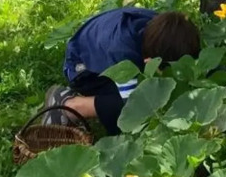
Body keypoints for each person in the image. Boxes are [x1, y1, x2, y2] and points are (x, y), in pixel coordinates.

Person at [40, 7, 200, 135]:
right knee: (123, 106)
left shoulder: (165, 30)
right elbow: (132, 108)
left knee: (156, 90)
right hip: (82, 68)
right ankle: (70, 106)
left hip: (101, 49)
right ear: (149, 61)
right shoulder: (123, 55)